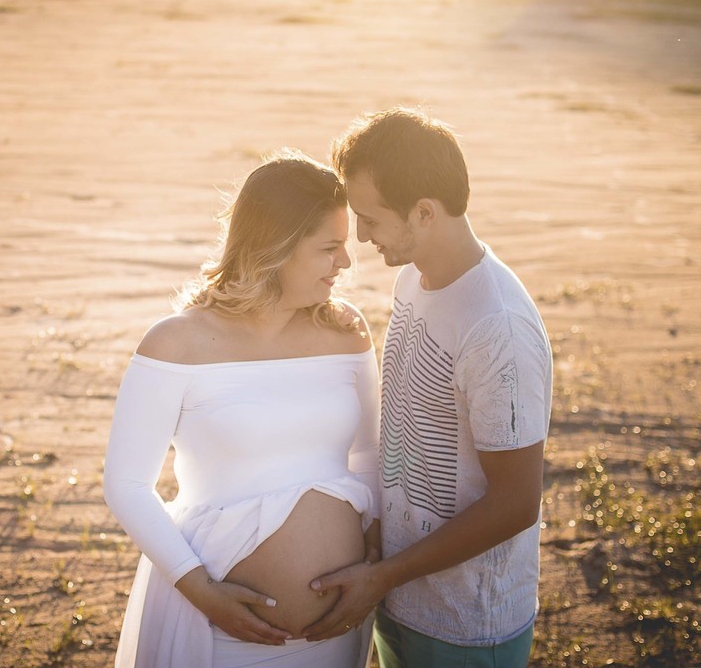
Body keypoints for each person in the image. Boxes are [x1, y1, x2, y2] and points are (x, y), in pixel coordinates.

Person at [103, 151, 382, 668]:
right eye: (329, 248)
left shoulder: (345, 331)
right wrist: (201, 590)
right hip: (217, 633)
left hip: (337, 633)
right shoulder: (176, 343)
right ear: (276, 248)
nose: (345, 263)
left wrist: (372, 557)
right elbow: (127, 484)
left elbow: (369, 452)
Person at [301, 108, 553, 667]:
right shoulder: (412, 277)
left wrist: (384, 575)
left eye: (370, 218)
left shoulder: (497, 328)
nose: (359, 235)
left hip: (465, 628)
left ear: (424, 212)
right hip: (401, 597)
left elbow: (516, 503)